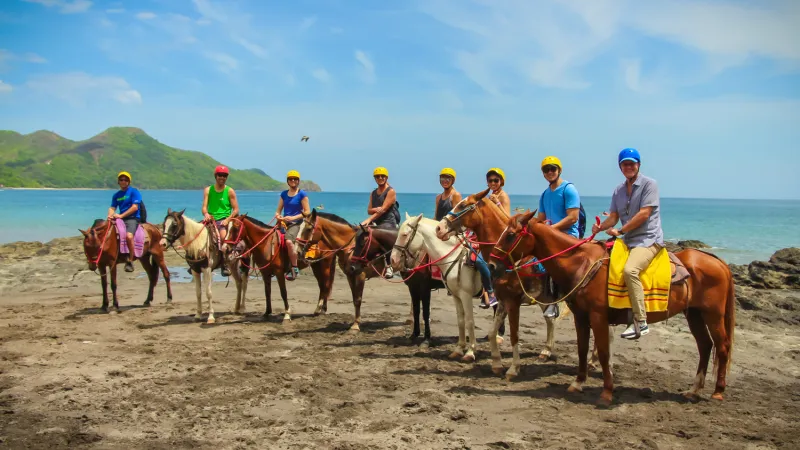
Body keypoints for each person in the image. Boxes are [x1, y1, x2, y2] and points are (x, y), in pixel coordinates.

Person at [592, 148, 664, 339]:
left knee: (630, 270)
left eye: (632, 163)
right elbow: (614, 217)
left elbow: (644, 214)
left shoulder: (650, 184)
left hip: (648, 239)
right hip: (628, 241)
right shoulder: (619, 190)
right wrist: (599, 228)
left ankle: (641, 322)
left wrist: (621, 231)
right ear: (620, 167)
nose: (629, 167)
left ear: (638, 165)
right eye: (625, 164)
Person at [537, 156, 581, 318]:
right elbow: (541, 218)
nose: (550, 172)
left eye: (553, 169)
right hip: (551, 236)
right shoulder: (544, 195)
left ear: (559, 170)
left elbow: (573, 217)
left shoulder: (568, 189)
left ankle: (553, 301)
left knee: (551, 260)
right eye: (546, 170)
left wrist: (551, 230)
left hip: (567, 236)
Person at [474, 168, 510, 309]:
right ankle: (482, 290)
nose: (493, 183)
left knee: (480, 261)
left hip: (500, 238)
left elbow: (507, 219)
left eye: (496, 180)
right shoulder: (490, 197)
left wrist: (498, 203)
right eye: (490, 181)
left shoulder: (502, 196)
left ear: (501, 181)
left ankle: (490, 292)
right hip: (489, 237)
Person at [361, 166, 399, 278]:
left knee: (383, 238)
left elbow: (383, 210)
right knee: (361, 234)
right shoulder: (373, 193)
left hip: (388, 223)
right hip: (377, 223)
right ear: (375, 178)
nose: (380, 178)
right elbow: (369, 210)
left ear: (386, 178)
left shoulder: (391, 191)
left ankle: (389, 267)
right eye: (378, 176)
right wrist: (374, 210)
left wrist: (368, 220)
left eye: (383, 176)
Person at [202, 165, 239, 277]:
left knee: (223, 238)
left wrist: (228, 220)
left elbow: (236, 209)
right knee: (195, 235)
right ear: (215, 176)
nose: (222, 178)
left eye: (224, 176)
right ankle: (194, 263)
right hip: (210, 220)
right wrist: (206, 214)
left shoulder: (229, 191)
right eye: (220, 175)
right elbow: (204, 207)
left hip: (223, 220)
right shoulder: (208, 190)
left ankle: (225, 264)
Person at [275, 170, 310, 281]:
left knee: (289, 242)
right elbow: (278, 211)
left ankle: (294, 267)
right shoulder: (284, 194)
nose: (293, 181)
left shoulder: (302, 194)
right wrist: (278, 216)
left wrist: (293, 218)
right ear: (288, 181)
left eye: (295, 179)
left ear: (298, 181)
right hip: (284, 223)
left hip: (296, 223)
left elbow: (307, 212)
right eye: (291, 179)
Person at [107, 171, 142, 273]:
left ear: (129, 182)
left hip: (132, 218)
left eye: (125, 180)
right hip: (121, 219)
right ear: (118, 182)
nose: (123, 181)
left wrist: (121, 215)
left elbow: (135, 207)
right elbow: (113, 207)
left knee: (129, 236)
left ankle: (130, 260)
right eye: (121, 180)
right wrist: (110, 215)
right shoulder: (116, 195)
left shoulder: (134, 192)